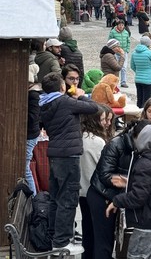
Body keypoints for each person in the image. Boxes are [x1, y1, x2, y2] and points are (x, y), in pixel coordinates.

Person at [39, 71, 99, 255]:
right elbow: (93, 108)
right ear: (62, 87)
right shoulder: (64, 101)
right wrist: (82, 96)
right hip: (69, 155)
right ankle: (62, 241)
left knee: (56, 197)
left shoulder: (45, 103)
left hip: (56, 154)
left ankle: (54, 236)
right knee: (68, 198)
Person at [106, 124, 151, 259]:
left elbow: (138, 197)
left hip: (148, 221)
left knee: (136, 256)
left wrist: (117, 201)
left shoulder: (145, 163)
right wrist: (129, 182)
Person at [87, 120, 137, 259]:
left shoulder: (139, 147)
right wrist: (127, 181)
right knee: (103, 242)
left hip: (114, 197)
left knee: (105, 241)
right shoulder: (116, 144)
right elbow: (105, 175)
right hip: (101, 195)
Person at [79, 105, 107, 259]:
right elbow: (103, 168)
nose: (105, 122)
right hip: (95, 192)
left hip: (82, 191)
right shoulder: (97, 142)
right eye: (102, 119)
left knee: (87, 227)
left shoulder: (80, 136)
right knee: (98, 231)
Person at [131, 36, 151, 108]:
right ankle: (144, 117)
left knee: (140, 100)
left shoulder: (134, 53)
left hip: (138, 79)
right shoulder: (150, 53)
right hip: (148, 80)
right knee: (147, 101)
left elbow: (132, 66)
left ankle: (138, 115)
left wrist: (139, 71)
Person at [26, 63, 41, 196]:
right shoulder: (35, 94)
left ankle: (33, 197)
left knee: (25, 168)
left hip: (30, 133)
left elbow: (32, 117)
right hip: (33, 132)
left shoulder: (33, 95)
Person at [108, 19, 131, 88]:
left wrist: (127, 49)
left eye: (122, 25)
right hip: (115, 52)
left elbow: (128, 41)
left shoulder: (126, 32)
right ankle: (114, 82)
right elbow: (109, 41)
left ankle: (123, 82)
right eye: (120, 25)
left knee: (124, 67)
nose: (121, 26)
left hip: (123, 52)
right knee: (115, 67)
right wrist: (112, 50)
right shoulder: (113, 32)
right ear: (117, 25)